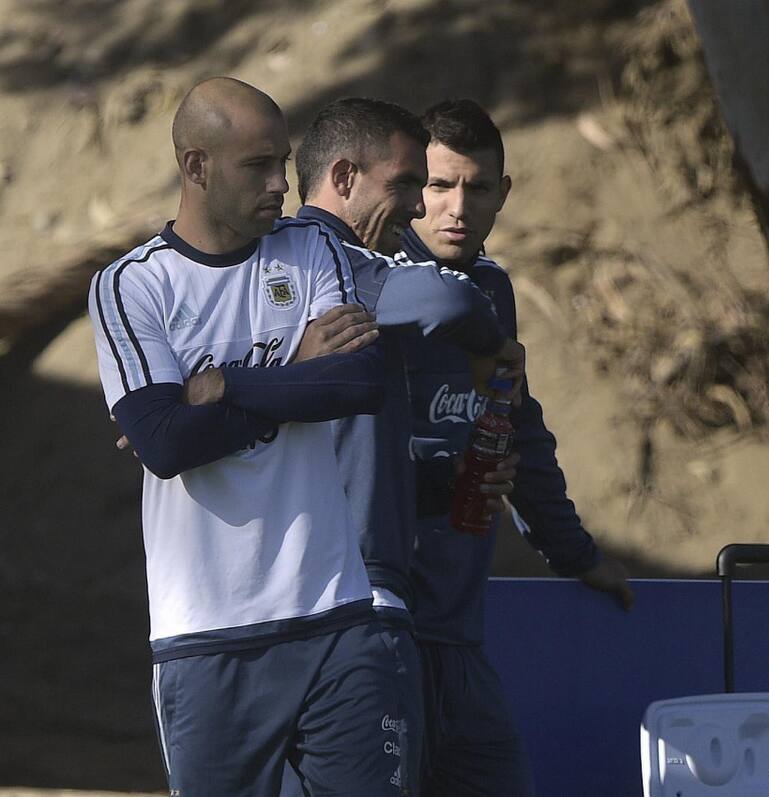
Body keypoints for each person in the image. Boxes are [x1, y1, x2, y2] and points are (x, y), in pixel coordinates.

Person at [88, 77, 411, 795]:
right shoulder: (133, 286)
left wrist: (227, 385)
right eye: (257, 167)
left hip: (336, 615)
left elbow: (360, 385)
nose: (280, 186)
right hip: (207, 636)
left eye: (284, 165)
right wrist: (296, 370)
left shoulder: (310, 249)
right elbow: (166, 445)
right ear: (196, 167)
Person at [277, 96, 526, 795]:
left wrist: (450, 483)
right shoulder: (318, 257)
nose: (423, 209)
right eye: (412, 185)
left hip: (424, 620)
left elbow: (363, 455)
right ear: (346, 175)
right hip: (345, 608)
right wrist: (491, 342)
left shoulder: (391, 274)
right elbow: (449, 305)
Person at [399, 98, 635, 796]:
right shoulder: (365, 282)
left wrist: (575, 554)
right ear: (413, 187)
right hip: (374, 632)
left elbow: (518, 430)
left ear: (505, 192)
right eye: (440, 186)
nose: (457, 207)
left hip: (458, 631)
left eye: (477, 187)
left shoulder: (492, 289)